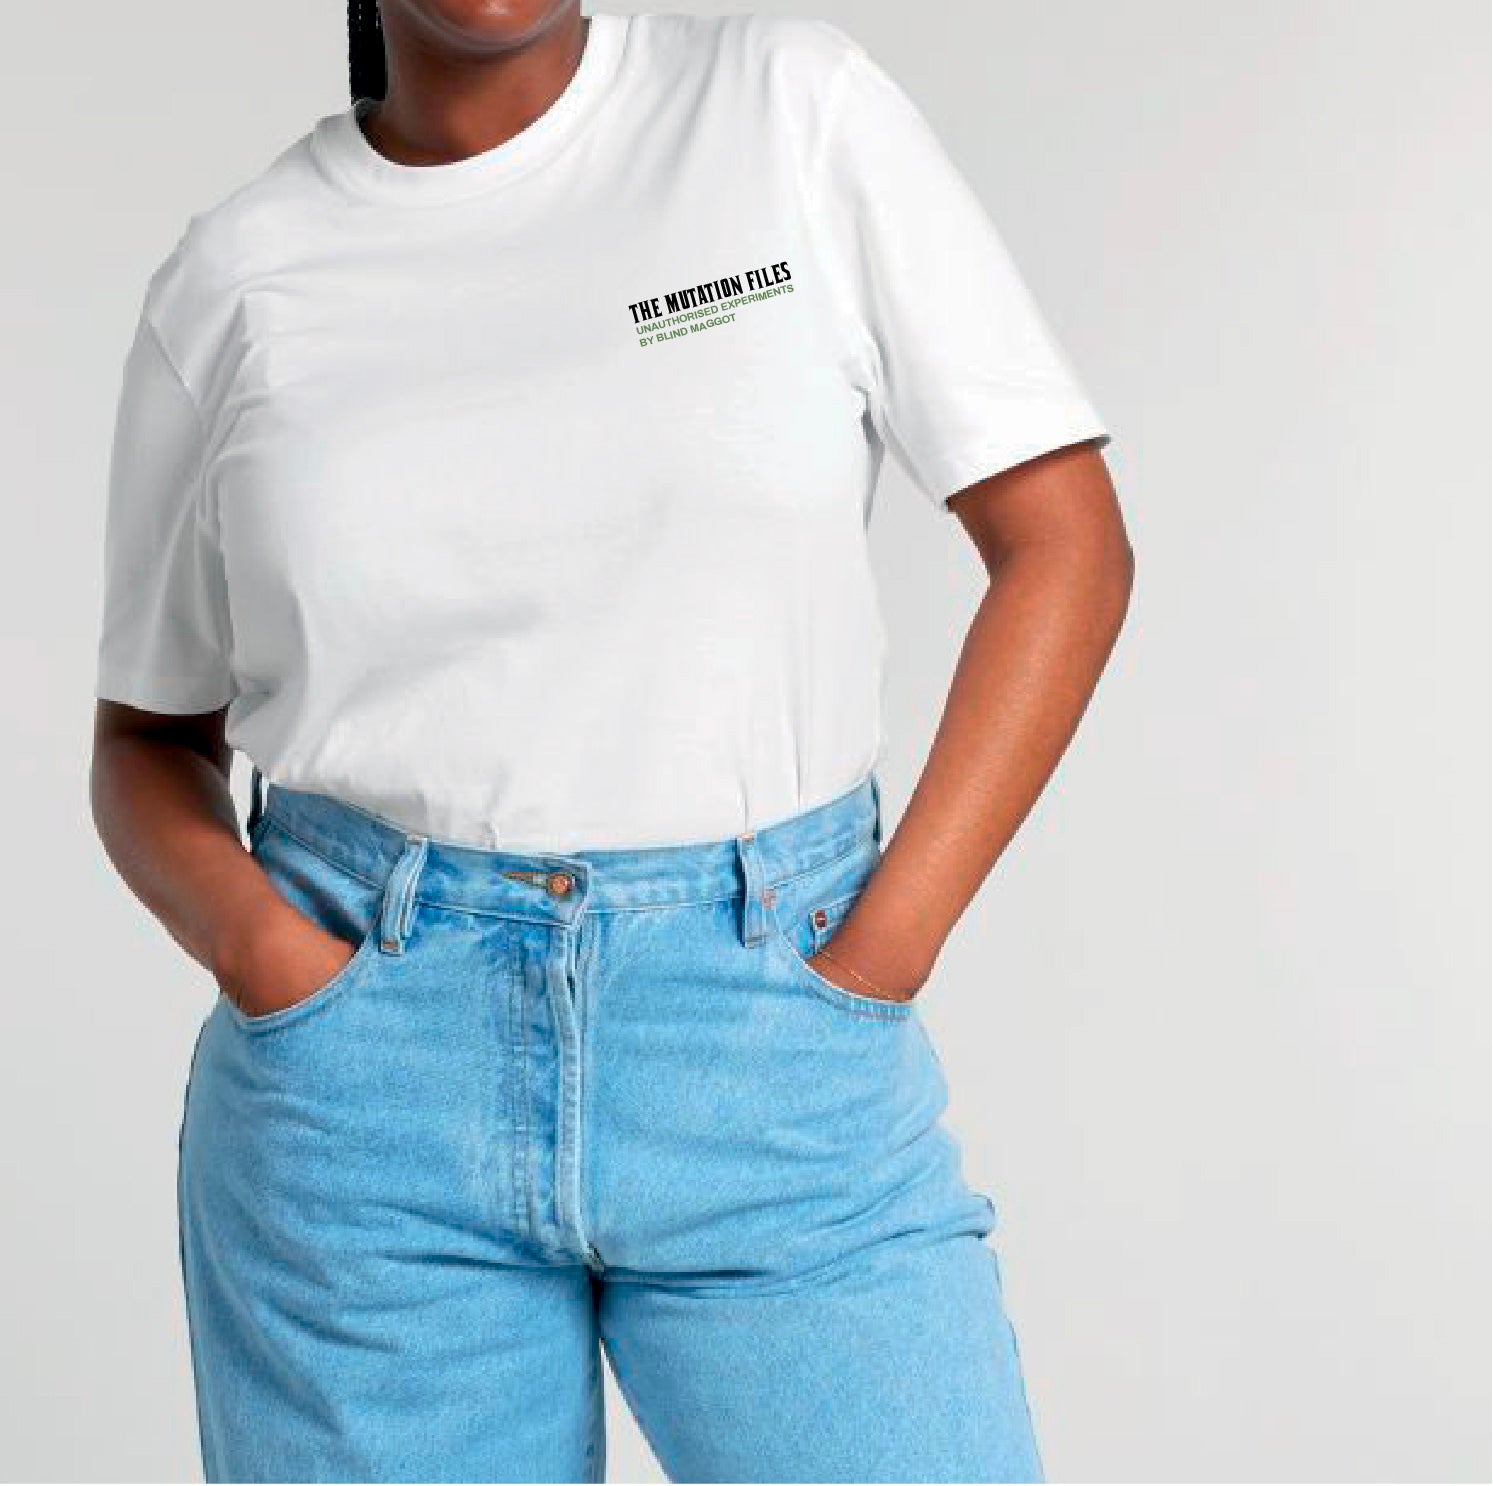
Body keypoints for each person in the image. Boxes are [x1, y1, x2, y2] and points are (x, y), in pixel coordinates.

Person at [89, 2, 1133, 1480]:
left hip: (767, 1030)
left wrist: (881, 948)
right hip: (364, 1088)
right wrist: (269, 956)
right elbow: (146, 736)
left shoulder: (782, 109)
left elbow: (1064, 546)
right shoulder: (236, 278)